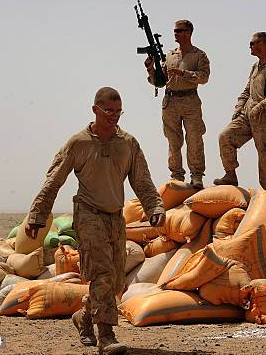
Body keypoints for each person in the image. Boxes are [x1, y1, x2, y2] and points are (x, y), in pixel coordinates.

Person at [24, 87, 165, 355]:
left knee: (114, 284)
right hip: (88, 213)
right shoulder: (79, 143)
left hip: (115, 216)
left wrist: (155, 207)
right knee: (102, 274)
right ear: (95, 110)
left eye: (118, 111)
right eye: (108, 111)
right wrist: (37, 216)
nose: (114, 117)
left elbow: (142, 180)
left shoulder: (128, 143)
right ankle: (107, 337)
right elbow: (54, 180)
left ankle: (84, 317)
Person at [214, 32, 266, 191]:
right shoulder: (255, 67)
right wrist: (239, 107)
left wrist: (261, 106)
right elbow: (247, 90)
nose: (250, 47)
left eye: (253, 43)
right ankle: (230, 175)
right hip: (246, 115)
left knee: (265, 154)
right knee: (225, 136)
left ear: (263, 44)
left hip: (265, 118)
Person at [144, 19, 210, 189]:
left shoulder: (199, 55)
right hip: (170, 101)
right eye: (175, 31)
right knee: (173, 141)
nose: (176, 34)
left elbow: (204, 77)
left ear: (188, 33)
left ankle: (196, 175)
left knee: (194, 138)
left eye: (179, 31)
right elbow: (159, 82)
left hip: (190, 101)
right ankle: (177, 176)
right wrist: (151, 69)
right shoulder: (169, 56)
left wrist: (183, 73)